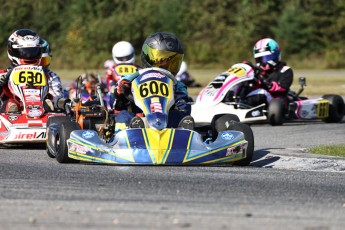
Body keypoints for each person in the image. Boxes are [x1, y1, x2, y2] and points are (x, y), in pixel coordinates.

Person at [113, 32, 194, 130]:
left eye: (172, 63)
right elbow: (114, 103)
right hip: (139, 119)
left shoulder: (177, 85)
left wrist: (178, 105)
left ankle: (184, 134)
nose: (164, 65)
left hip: (165, 123)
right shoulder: (130, 78)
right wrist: (122, 92)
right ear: (147, 56)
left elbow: (183, 108)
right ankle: (131, 132)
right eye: (160, 60)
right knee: (123, 115)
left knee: (179, 115)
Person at [0, 29, 67, 113]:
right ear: (12, 51)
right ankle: (12, 107)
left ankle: (46, 106)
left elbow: (57, 95)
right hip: (10, 115)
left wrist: (56, 100)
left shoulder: (50, 76)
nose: (29, 56)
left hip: (43, 112)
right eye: (25, 52)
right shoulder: (3, 74)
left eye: (33, 51)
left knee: (50, 102)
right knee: (10, 103)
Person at [243, 38, 294, 106]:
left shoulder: (285, 70)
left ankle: (242, 105)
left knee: (262, 93)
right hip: (258, 97)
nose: (264, 62)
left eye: (267, 58)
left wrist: (266, 83)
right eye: (261, 59)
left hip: (276, 101)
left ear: (276, 55)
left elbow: (283, 87)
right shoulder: (256, 70)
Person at [105, 41, 139, 108]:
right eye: (122, 58)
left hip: (133, 95)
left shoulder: (111, 69)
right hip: (124, 95)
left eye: (127, 57)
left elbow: (108, 84)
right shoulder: (139, 68)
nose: (124, 59)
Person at [39, 38, 68, 111]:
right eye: (38, 62)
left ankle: (46, 105)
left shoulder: (52, 76)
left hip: (47, 107)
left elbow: (58, 95)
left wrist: (50, 99)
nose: (41, 65)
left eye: (44, 61)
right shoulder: (17, 73)